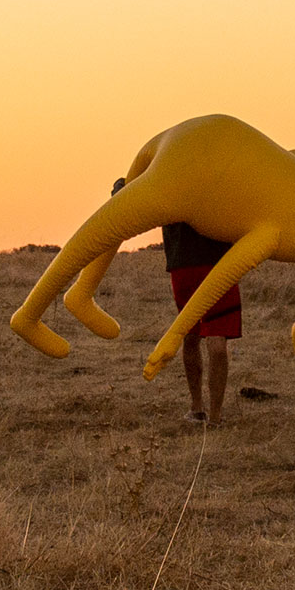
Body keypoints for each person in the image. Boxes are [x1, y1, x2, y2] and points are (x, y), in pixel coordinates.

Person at [114, 176, 242, 424]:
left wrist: (122, 188)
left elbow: (137, 199)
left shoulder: (170, 171)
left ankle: (197, 409)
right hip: (219, 264)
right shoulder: (221, 171)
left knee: (191, 336)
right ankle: (213, 417)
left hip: (185, 266)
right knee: (215, 343)